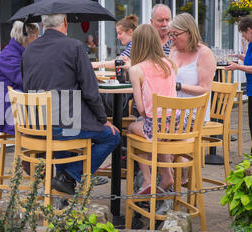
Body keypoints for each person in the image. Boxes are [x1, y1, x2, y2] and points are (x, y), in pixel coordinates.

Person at [22, 13, 121, 195]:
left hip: (35, 126)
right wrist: (102, 119)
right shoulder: (74, 46)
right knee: (112, 136)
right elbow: (91, 91)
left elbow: (26, 85)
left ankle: (62, 194)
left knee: (67, 127)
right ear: (65, 22)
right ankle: (68, 176)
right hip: (62, 126)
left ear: (43, 25)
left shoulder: (29, 49)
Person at [127, 24, 178, 194]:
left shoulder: (136, 69)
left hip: (158, 127)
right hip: (178, 127)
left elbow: (141, 109)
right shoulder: (170, 64)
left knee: (133, 128)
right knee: (156, 128)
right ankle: (166, 175)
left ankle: (147, 180)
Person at [168, 13, 216, 185]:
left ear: (189, 32)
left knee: (162, 136)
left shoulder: (204, 53)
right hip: (173, 109)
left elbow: (204, 88)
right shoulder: (173, 51)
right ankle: (163, 178)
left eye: (175, 34)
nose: (172, 39)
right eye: (170, 35)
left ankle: (171, 180)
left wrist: (179, 86)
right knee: (147, 127)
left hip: (194, 112)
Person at [0, 20, 39, 135]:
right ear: (25, 37)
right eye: (36, 36)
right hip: (9, 113)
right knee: (53, 120)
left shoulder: (18, 53)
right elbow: (25, 81)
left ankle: (45, 151)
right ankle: (44, 150)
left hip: (18, 106)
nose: (38, 39)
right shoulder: (9, 56)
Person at [225, 15, 252, 149]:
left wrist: (237, 66)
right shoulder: (251, 44)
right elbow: (249, 59)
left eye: (244, 34)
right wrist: (240, 56)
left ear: (249, 30)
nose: (244, 37)